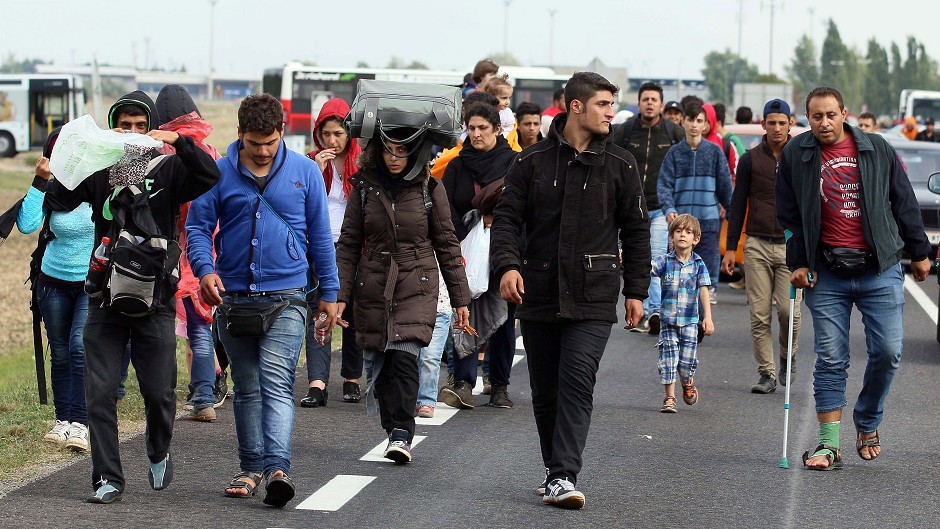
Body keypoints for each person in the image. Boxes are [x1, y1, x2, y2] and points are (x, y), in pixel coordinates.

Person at [46, 90, 221, 504]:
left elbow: (208, 176)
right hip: (103, 297)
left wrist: (180, 142)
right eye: (124, 125)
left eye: (141, 126)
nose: (132, 133)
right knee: (100, 391)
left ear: (153, 129)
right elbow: (60, 198)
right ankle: (107, 478)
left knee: (160, 393)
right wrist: (63, 164)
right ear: (113, 127)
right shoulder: (100, 170)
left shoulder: (168, 169)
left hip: (155, 298)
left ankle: (159, 450)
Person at [491, 71, 650, 509]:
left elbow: (636, 230)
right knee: (546, 391)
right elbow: (506, 219)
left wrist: (636, 290)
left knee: (577, 380)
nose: (611, 113)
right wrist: (506, 265)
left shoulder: (621, 162)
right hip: (538, 290)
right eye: (603, 104)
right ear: (575, 106)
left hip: (593, 294)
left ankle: (564, 474)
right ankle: (553, 471)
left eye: (613, 105)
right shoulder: (530, 161)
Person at [186, 93, 339, 507]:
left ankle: (277, 469)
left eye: (270, 143)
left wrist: (330, 292)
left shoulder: (305, 173)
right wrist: (204, 270)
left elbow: (320, 236)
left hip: (288, 296)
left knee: (274, 380)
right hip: (233, 298)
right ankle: (250, 466)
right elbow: (198, 228)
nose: (262, 151)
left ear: (282, 133)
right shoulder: (217, 173)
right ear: (239, 135)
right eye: (254, 143)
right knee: (247, 386)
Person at [775, 86, 931, 471]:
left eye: (831, 115)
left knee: (889, 352)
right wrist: (796, 262)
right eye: (816, 116)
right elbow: (789, 215)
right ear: (806, 118)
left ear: (844, 113)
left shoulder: (877, 149)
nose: (824, 123)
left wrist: (921, 250)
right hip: (825, 272)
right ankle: (828, 446)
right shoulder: (797, 154)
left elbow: (903, 200)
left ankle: (868, 419)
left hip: (879, 267)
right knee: (831, 357)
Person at [335, 127, 471, 464]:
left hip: (417, 281)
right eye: (388, 151)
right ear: (377, 151)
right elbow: (349, 243)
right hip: (374, 282)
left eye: (402, 151)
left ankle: (401, 433)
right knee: (381, 360)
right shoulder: (364, 188)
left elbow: (447, 244)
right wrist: (339, 294)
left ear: (416, 152)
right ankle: (392, 425)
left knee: (405, 355)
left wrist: (461, 299)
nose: (394, 158)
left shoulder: (429, 187)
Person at [16, 129, 93, 451]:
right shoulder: (52, 189)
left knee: (79, 347)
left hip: (91, 284)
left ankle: (82, 423)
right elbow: (27, 224)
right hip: (52, 282)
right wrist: (39, 181)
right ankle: (63, 421)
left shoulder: (98, 184)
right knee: (60, 352)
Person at [154, 84, 225, 421]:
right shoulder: (210, 153)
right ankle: (204, 395)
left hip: (178, 253)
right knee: (200, 327)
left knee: (170, 328)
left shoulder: (164, 154)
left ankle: (193, 395)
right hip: (211, 254)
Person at [722, 99, 801, 394]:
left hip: (791, 247)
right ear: (763, 124)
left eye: (782, 122)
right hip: (756, 244)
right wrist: (732, 248)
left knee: (788, 313)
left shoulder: (801, 158)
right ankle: (766, 373)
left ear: (790, 124)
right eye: (772, 122)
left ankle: (786, 355)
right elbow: (737, 203)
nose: (777, 128)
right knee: (759, 313)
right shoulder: (751, 159)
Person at [441, 102, 517, 409]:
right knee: (465, 312)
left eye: (482, 128)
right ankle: (464, 381)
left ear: (497, 130)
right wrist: (472, 223)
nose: (476, 134)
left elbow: (523, 206)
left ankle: (499, 385)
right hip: (466, 251)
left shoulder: (515, 163)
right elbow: (445, 207)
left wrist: (498, 221)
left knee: (503, 318)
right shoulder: (458, 165)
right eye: (470, 128)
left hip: (506, 249)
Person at [300, 97, 364, 408]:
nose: (332, 140)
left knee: (351, 312)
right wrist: (318, 170)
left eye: (338, 133)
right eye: (326, 134)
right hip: (320, 245)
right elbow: (300, 205)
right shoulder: (310, 163)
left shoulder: (362, 162)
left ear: (349, 133)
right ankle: (317, 382)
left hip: (354, 247)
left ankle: (351, 377)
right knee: (320, 310)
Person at [611, 81, 684, 335]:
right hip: (629, 208)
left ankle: (654, 311)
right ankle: (640, 309)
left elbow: (681, 169)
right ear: (639, 103)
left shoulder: (674, 133)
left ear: (661, 105)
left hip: (660, 208)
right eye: (645, 99)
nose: (650, 103)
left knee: (652, 260)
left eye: (654, 100)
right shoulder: (625, 131)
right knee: (632, 260)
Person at [658, 102, 733, 314]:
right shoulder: (674, 153)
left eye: (699, 121)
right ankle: (676, 319)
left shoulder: (715, 153)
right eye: (690, 120)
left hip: (707, 225)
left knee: (704, 277)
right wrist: (668, 208)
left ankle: (698, 321)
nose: (694, 125)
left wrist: (733, 215)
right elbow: (664, 185)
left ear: (706, 125)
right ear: (683, 122)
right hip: (679, 226)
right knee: (676, 275)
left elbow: (725, 188)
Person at [653, 214, 713, 413]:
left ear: (695, 239)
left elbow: (704, 289)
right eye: (678, 231)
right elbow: (648, 268)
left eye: (688, 232)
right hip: (668, 321)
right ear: (671, 236)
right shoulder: (665, 262)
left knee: (686, 363)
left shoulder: (698, 264)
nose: (682, 235)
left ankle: (687, 382)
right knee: (668, 359)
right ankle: (669, 398)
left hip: (690, 323)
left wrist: (708, 318)